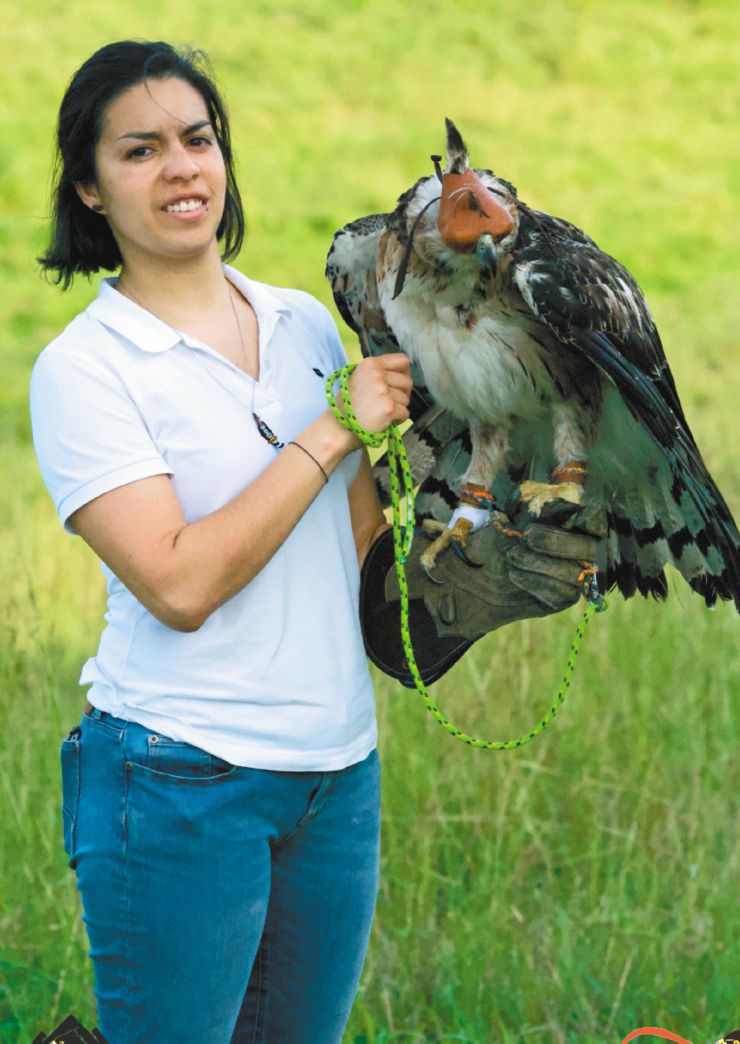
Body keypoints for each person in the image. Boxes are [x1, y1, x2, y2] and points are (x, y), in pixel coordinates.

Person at [30, 40, 602, 1044]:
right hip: (174, 780)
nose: (181, 168)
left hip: (335, 779)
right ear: (87, 187)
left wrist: (474, 583)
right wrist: (332, 424)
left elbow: (360, 565)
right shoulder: (85, 369)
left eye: (198, 139)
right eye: (139, 150)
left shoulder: (299, 322)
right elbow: (178, 583)